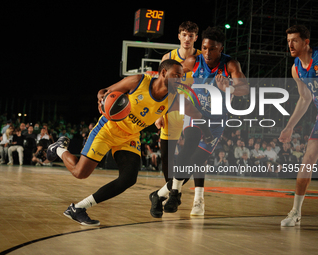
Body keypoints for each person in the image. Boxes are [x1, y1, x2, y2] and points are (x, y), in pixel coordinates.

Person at [46, 59, 213, 226]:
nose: (179, 80)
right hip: (108, 129)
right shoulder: (138, 81)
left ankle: (78, 208)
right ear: (163, 73)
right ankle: (60, 149)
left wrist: (207, 132)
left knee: (128, 178)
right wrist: (101, 99)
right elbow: (104, 91)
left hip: (130, 137)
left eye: (181, 77)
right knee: (80, 172)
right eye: (176, 75)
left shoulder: (175, 100)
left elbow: (197, 114)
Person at [150, 27, 249, 217]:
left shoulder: (230, 64)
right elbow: (171, 74)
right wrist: (157, 82)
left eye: (212, 49)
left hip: (217, 120)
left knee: (195, 161)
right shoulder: (194, 61)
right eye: (204, 48)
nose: (207, 52)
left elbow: (245, 89)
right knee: (187, 149)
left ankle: (159, 194)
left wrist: (229, 87)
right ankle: (175, 194)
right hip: (195, 114)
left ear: (221, 49)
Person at [154, 21, 202, 208]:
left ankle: (175, 191)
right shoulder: (168, 57)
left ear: (196, 38)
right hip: (172, 108)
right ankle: (171, 191)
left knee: (191, 156)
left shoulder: (201, 57)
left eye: (191, 35)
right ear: (179, 36)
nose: (187, 38)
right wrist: (158, 113)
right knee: (167, 155)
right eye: (184, 34)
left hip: (192, 109)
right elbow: (161, 85)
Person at [279, 25, 318, 227]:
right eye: (288, 41)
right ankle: (295, 212)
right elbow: (304, 98)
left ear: (306, 42)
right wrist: (290, 126)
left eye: (295, 40)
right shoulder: (296, 68)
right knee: (307, 160)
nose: (291, 45)